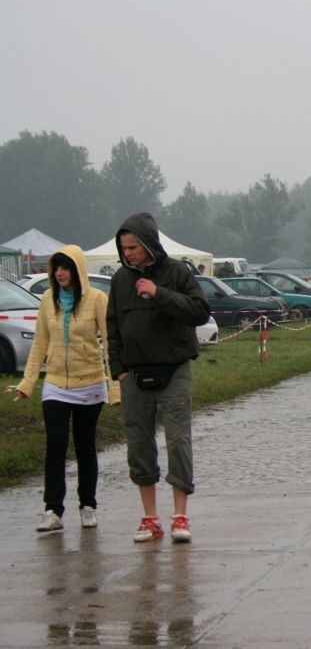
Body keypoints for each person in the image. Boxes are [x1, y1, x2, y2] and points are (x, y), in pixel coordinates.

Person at [106, 212, 211, 543]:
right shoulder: (120, 280)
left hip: (174, 370)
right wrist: (118, 369)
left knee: (178, 441)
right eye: (124, 248)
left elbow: (200, 311)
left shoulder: (177, 272)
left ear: (149, 244)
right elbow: (112, 327)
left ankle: (180, 515)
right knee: (138, 445)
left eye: (133, 247)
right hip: (134, 374)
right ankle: (150, 518)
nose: (128, 254)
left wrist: (159, 293)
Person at [17, 245, 120, 532]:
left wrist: (115, 388)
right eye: (56, 269)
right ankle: (53, 510)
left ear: (77, 270)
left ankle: (88, 506)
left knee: (85, 446)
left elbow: (111, 343)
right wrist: (27, 382)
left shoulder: (97, 299)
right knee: (55, 446)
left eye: (65, 268)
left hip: (89, 383)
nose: (60, 273)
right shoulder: (47, 299)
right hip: (55, 385)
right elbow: (40, 344)